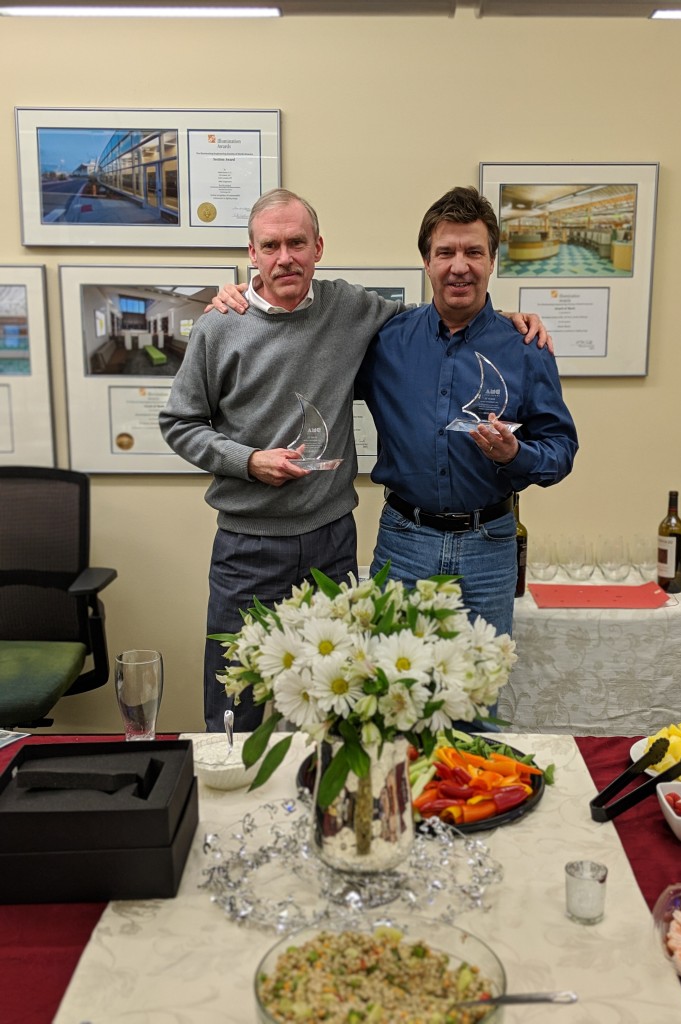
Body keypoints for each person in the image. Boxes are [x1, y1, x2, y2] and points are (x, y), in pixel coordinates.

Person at [160, 188, 548, 732]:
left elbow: (443, 314)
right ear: (251, 253)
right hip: (247, 546)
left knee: (337, 702)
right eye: (270, 246)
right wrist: (248, 462)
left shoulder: (351, 309)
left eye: (297, 243)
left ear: (319, 247)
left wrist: (503, 319)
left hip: (330, 540)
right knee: (237, 696)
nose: (284, 257)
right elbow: (179, 423)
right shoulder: (220, 324)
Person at [355, 186, 578, 668]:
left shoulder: (525, 347)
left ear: (493, 259)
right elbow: (308, 347)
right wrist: (241, 296)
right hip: (404, 543)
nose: (460, 265)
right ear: (426, 261)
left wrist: (515, 455)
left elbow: (561, 450)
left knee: (478, 698)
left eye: (474, 251)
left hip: (489, 546)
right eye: (446, 252)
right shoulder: (385, 343)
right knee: (393, 699)